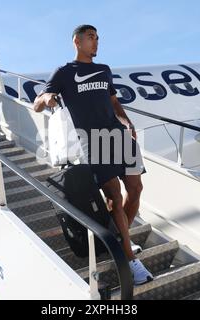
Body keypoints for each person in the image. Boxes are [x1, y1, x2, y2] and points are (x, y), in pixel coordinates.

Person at [33, 25, 153, 285]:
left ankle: (121, 239)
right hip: (93, 140)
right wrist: (49, 97)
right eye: (91, 38)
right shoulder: (64, 72)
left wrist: (126, 121)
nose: (96, 42)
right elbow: (37, 103)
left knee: (136, 188)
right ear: (77, 41)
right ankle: (130, 260)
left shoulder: (104, 70)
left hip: (118, 135)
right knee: (114, 196)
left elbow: (113, 101)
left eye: (98, 38)